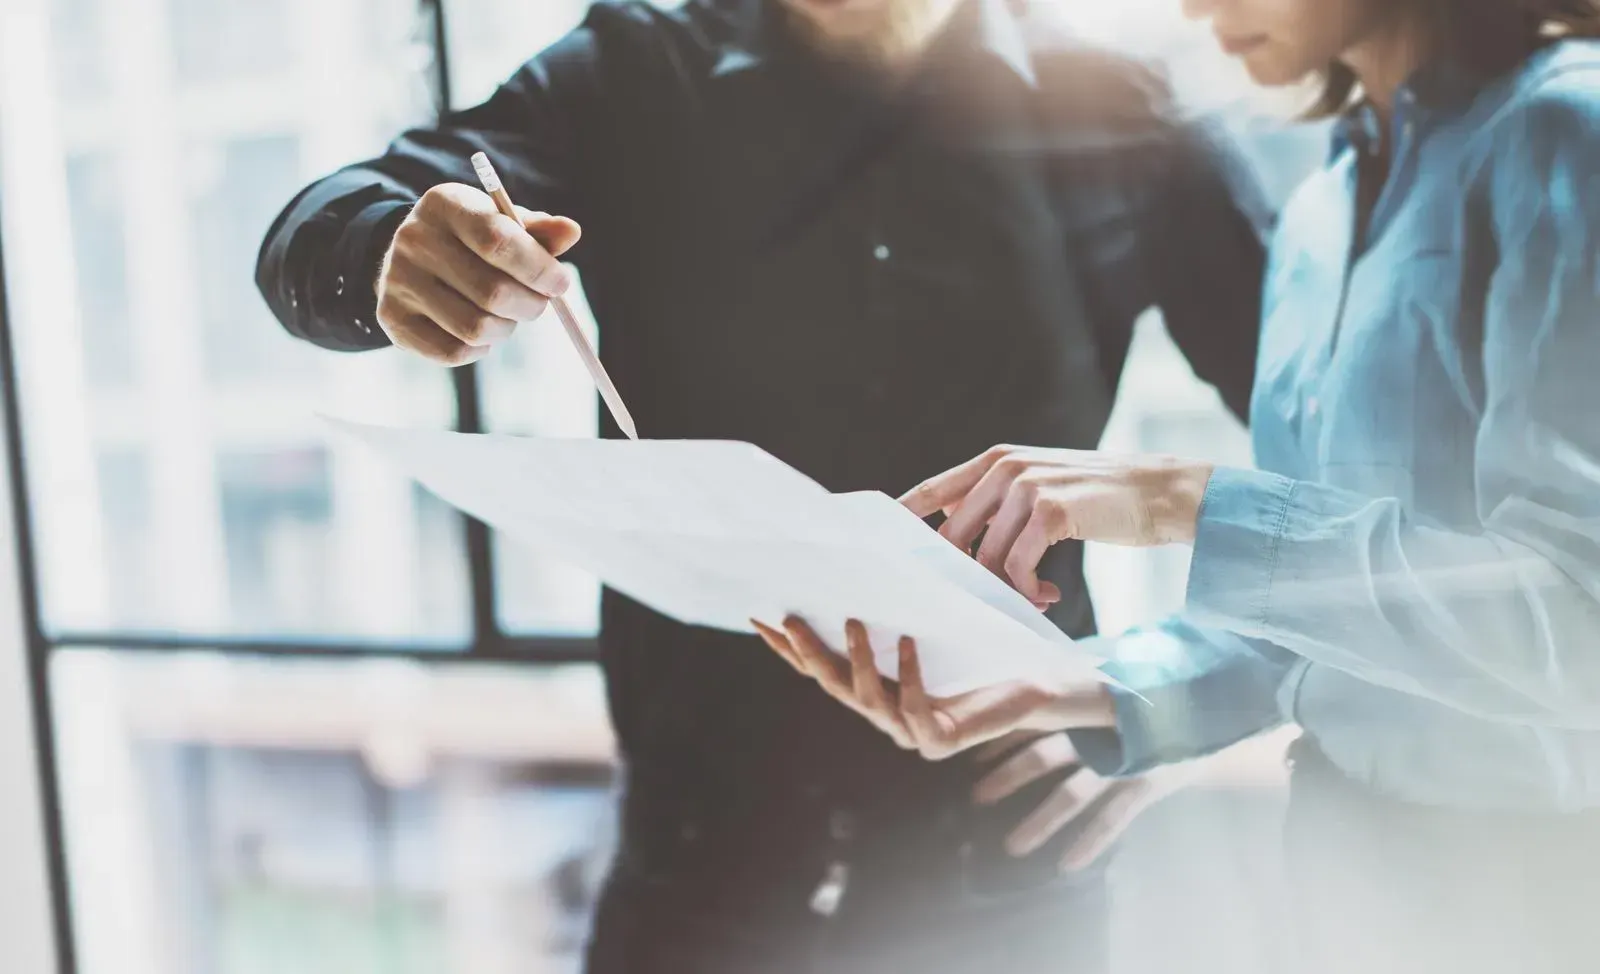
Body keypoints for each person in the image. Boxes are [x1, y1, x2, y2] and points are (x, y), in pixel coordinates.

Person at [255, 0, 1270, 970]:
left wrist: (1172, 700)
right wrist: (390, 243)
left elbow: (1344, 453)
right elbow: (326, 222)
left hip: (1004, 883)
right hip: (695, 874)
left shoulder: (1124, 111)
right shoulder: (629, 68)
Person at [762, 0, 1600, 970]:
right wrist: (1062, 683)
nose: (1195, 5)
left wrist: (1185, 503)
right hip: (1338, 873)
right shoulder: (1319, 209)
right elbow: (1324, 619)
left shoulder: (1567, 134)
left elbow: (1579, 620)